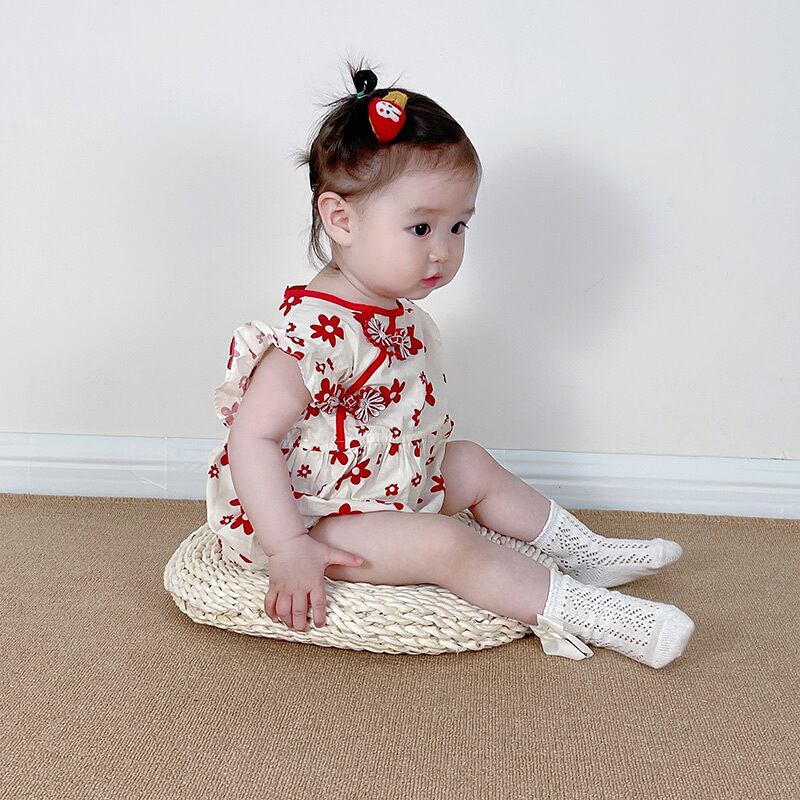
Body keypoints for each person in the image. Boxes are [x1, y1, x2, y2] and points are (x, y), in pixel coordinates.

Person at [206, 60, 695, 669]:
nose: (443, 250)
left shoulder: (394, 310)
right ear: (341, 219)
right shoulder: (314, 334)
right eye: (420, 228)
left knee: (469, 461)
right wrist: (287, 547)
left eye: (458, 225)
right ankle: (596, 615)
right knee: (444, 542)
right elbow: (251, 437)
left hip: (382, 483)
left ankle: (583, 552)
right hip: (316, 515)